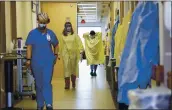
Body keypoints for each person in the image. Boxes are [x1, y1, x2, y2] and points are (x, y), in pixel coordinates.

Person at [25, 12, 59, 110]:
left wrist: (55, 55)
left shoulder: (50, 33)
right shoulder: (32, 33)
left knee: (47, 82)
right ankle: (40, 104)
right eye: (41, 22)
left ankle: (49, 104)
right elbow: (29, 48)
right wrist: (28, 60)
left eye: (44, 23)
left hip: (48, 62)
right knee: (39, 84)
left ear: (47, 22)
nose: (42, 24)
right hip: (36, 62)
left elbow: (56, 45)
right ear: (37, 21)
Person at [60, 21, 84, 89]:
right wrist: (58, 54)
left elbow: (79, 43)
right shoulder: (62, 36)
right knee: (66, 69)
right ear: (65, 27)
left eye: (69, 26)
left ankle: (73, 82)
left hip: (74, 54)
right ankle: (67, 84)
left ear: (71, 27)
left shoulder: (75, 35)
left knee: (73, 69)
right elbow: (60, 45)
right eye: (67, 26)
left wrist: (81, 51)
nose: (68, 27)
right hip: (66, 54)